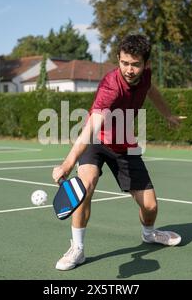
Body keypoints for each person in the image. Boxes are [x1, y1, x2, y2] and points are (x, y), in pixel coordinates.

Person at [52, 34, 183, 271]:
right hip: (96, 141)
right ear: (118, 60)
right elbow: (92, 125)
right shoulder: (110, 87)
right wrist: (67, 163)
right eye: (124, 63)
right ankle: (77, 249)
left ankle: (149, 234)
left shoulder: (146, 77)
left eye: (135, 64)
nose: (129, 70)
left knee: (150, 206)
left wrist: (167, 114)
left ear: (146, 64)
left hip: (124, 146)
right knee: (85, 186)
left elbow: (151, 91)